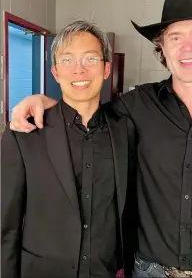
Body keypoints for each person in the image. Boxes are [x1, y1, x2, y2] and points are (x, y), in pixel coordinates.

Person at [8, 0, 192, 278]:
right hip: (147, 271)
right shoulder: (136, 105)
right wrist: (41, 100)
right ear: (162, 47)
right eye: (175, 37)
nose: (187, 47)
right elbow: (83, 106)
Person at [1, 20, 137, 278]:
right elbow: (5, 225)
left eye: (90, 59)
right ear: (55, 72)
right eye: (67, 60)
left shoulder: (126, 131)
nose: (79, 70)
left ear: (107, 69)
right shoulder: (25, 134)